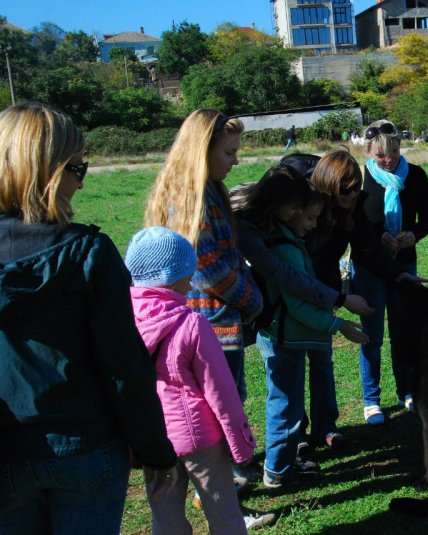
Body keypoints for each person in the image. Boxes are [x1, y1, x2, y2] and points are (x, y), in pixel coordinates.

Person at [0, 103, 176, 534]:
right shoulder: (88, 253)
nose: (82, 182)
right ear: (47, 172)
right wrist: (155, 450)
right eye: (77, 168)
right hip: (85, 447)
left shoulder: (87, 252)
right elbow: (124, 366)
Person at [125, 227, 273, 533]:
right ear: (173, 277)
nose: (192, 280)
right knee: (222, 510)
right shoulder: (193, 324)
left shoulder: (123, 323)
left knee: (164, 514)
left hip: (152, 437)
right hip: (199, 439)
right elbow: (221, 391)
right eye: (188, 273)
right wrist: (240, 442)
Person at [144, 109, 263, 484]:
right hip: (207, 324)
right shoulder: (188, 198)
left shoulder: (209, 189)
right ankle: (221, 489)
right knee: (217, 409)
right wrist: (252, 299)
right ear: (202, 150)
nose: (235, 161)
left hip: (218, 320)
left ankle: (229, 478)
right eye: (229, 152)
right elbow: (206, 268)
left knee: (228, 400)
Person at [255, 170, 369, 488]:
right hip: (284, 337)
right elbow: (299, 305)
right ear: (290, 211)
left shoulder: (290, 241)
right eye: (309, 218)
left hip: (289, 335)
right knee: (285, 403)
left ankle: (285, 459)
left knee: (286, 400)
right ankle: (279, 470)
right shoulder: (287, 250)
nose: (313, 225)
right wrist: (339, 324)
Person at [308, 148, 427, 444]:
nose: (351, 194)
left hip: (324, 288)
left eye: (355, 188)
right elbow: (296, 265)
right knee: (291, 365)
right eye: (344, 189)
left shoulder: (352, 206)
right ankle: (295, 435)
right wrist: (340, 299)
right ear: (328, 185)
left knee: (322, 360)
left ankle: (325, 427)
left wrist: (400, 275)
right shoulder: (307, 208)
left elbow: (369, 249)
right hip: (300, 286)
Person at [356, 120, 428, 425]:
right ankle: (371, 399)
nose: (388, 160)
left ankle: (406, 390)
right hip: (370, 266)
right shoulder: (361, 178)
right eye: (380, 155)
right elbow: (355, 223)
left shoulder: (415, 175)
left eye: (393, 152)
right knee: (372, 334)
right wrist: (378, 236)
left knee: (403, 331)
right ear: (368, 152)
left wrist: (413, 234)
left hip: (404, 263)